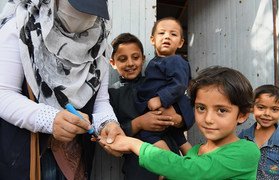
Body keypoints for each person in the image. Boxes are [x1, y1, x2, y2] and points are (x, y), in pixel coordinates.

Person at [0, 0, 123, 179]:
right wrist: (50, 119)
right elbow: (3, 94)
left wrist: (108, 124)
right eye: (78, 6)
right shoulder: (22, 28)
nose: (85, 17)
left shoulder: (98, 43)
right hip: (27, 156)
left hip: (75, 158)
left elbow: (100, 102)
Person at [102, 66, 261, 180]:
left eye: (221, 110)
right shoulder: (195, 151)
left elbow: (189, 171)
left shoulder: (246, 151)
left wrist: (134, 144)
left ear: (242, 115)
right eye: (201, 108)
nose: (208, 119)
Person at [109, 33, 191, 180]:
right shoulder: (111, 95)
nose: (130, 63)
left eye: (135, 57)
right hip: (137, 165)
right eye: (122, 59)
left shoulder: (155, 84)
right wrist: (139, 123)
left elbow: (182, 103)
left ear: (143, 59)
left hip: (170, 156)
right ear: (113, 62)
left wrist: (178, 119)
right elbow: (113, 132)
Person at [135, 17, 194, 154]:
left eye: (173, 34)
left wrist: (161, 99)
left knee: (147, 135)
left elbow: (179, 84)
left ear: (180, 43)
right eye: (162, 33)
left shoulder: (176, 60)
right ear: (152, 39)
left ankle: (168, 161)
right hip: (162, 106)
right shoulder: (155, 62)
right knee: (179, 138)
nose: (167, 36)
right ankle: (193, 159)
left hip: (170, 104)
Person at [239, 84, 279, 179]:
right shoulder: (243, 137)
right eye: (261, 107)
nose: (267, 114)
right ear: (252, 108)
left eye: (274, 109)